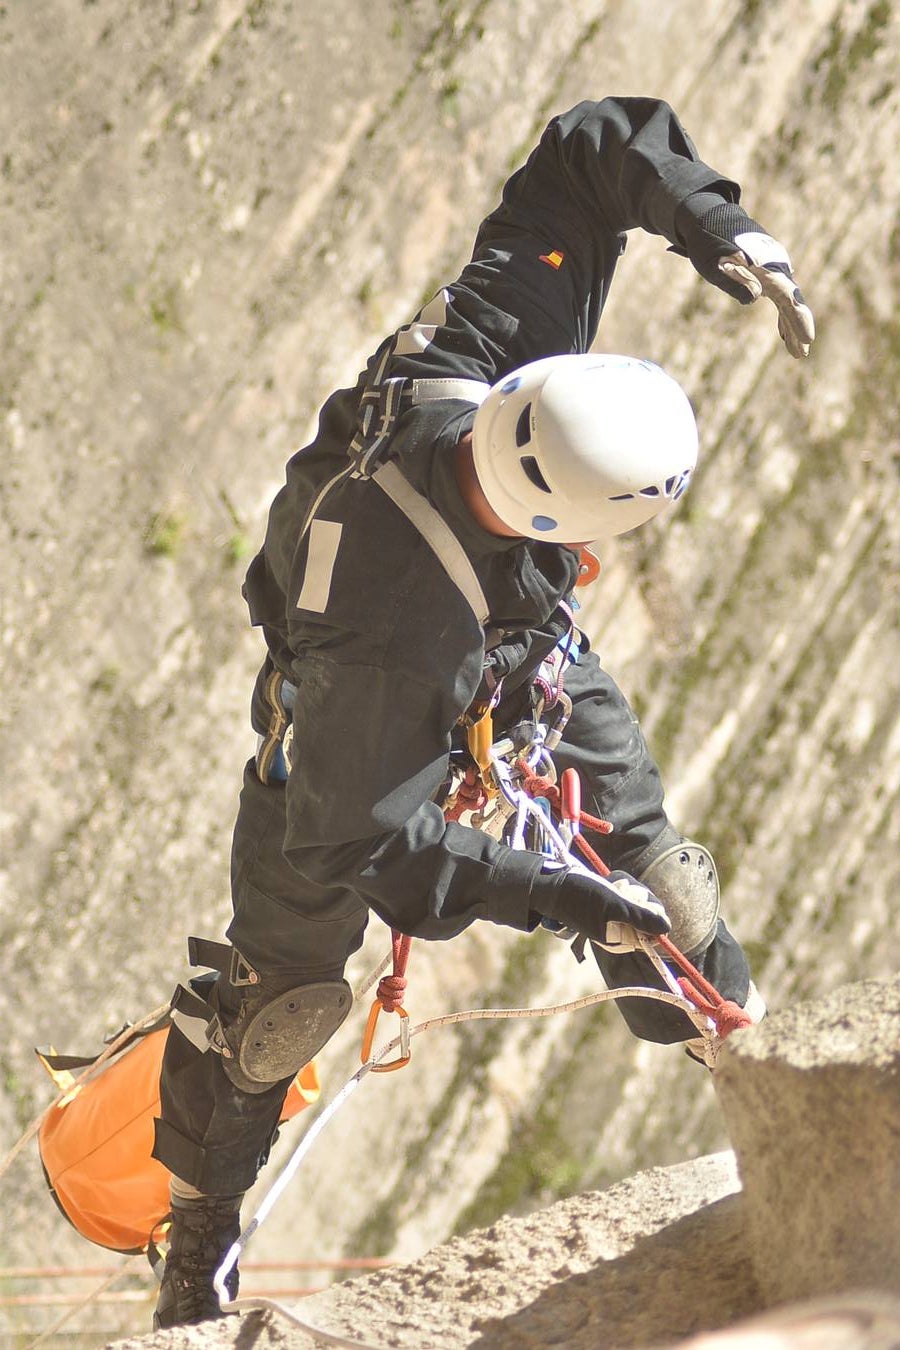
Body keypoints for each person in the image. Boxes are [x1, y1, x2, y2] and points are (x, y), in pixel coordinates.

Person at [150, 96, 814, 1328]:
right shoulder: (386, 633)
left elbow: (587, 151)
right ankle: (198, 1238)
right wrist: (554, 895)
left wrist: (722, 227)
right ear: (568, 521)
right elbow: (365, 841)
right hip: (345, 745)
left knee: (662, 889)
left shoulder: (498, 354)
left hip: (518, 656)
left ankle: (770, 1083)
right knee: (276, 1006)